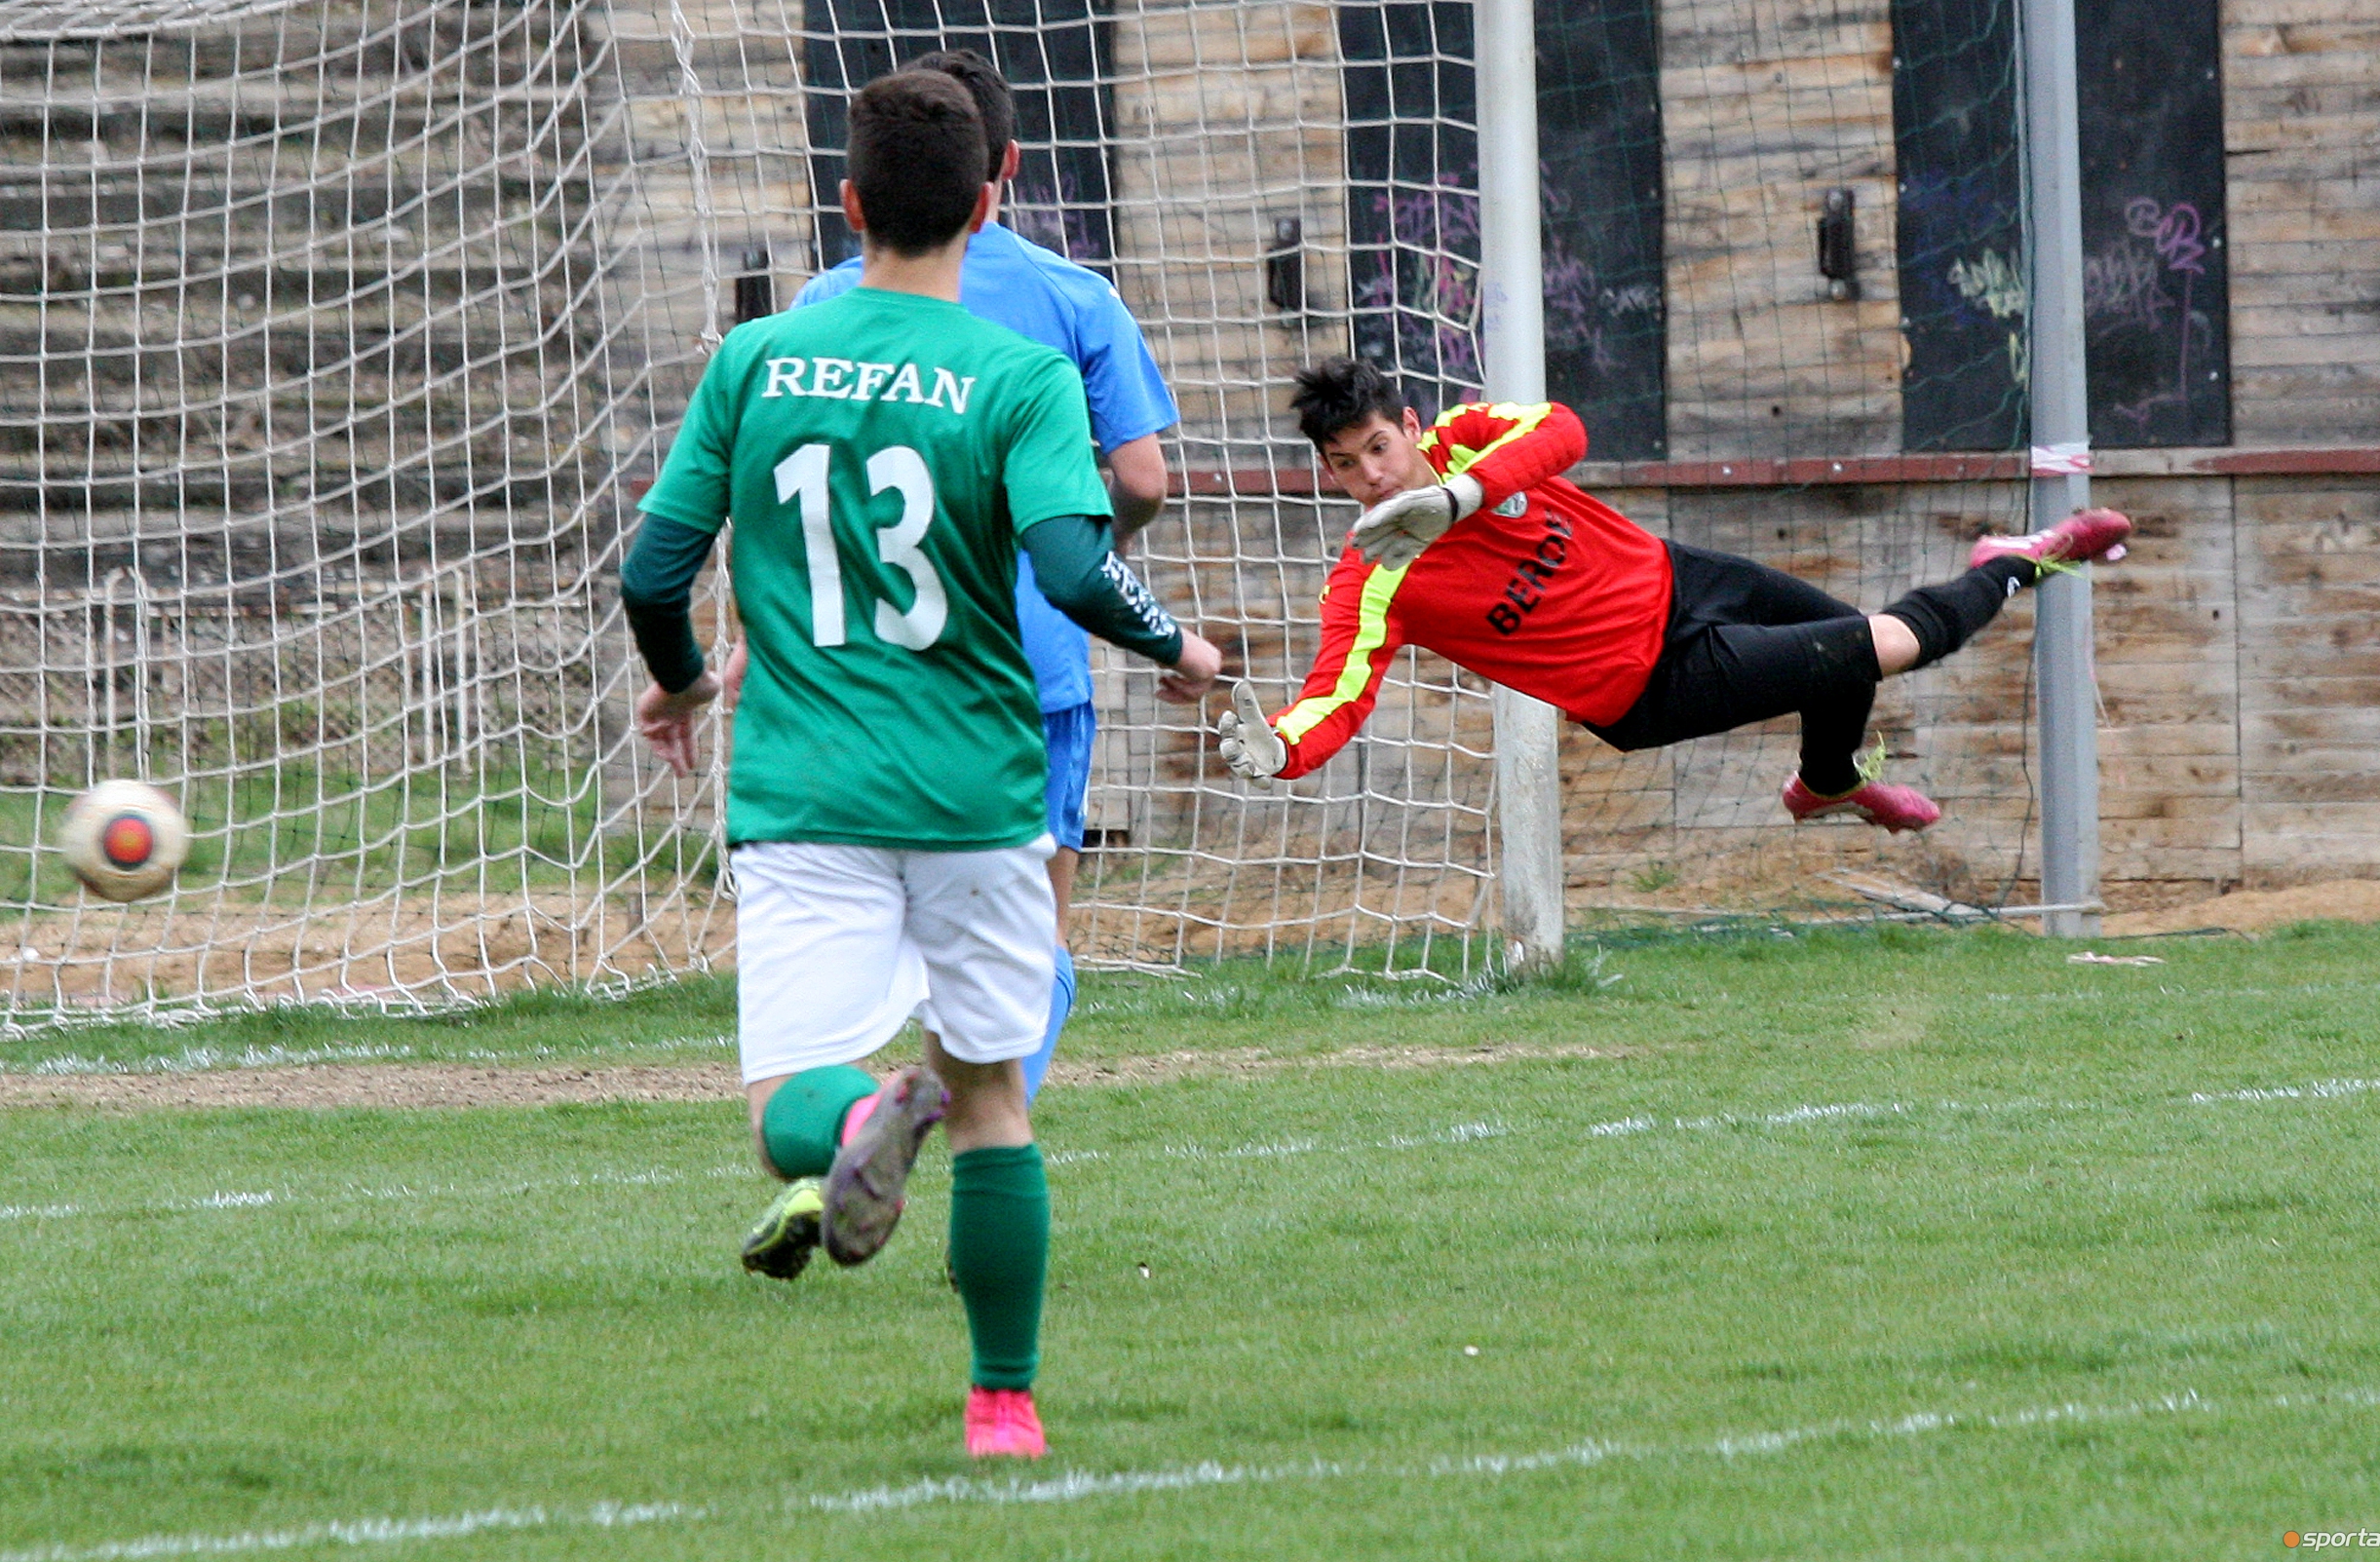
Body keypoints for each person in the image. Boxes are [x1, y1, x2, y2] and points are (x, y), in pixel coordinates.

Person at [620, 68, 1221, 1460]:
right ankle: (1002, 1400)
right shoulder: (1019, 374)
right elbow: (1077, 566)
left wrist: (683, 679)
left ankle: (867, 1113)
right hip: (978, 788)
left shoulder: (758, 356)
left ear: (848, 205)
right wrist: (1174, 643)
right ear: (990, 201)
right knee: (998, 1094)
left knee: (784, 1116)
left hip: (806, 788)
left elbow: (654, 567)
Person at [726, 48, 1179, 1106]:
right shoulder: (1072, 298)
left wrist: (751, 633)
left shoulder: (817, 308)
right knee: (1023, 944)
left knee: (837, 938)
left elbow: (780, 493)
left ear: (858, 197)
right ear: (1000, 171)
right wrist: (1056, 540)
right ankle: (978, 1120)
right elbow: (1144, 479)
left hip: (845, 670)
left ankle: (827, 1130)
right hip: (1029, 664)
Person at [1217, 357, 2129, 825]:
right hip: (1650, 684)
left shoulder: (1467, 442)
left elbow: (1563, 428)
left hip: (1682, 577)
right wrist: (1283, 750)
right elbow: (1334, 695)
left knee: (1845, 648)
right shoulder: (1373, 575)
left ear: (1410, 426)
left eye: (1378, 448)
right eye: (1344, 466)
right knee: (1888, 643)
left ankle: (1824, 784)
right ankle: (2020, 562)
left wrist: (1463, 495)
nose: (1369, 476)